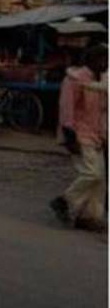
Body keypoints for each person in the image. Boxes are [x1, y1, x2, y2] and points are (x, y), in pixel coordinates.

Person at [50, 45, 108, 230]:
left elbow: (102, 112)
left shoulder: (100, 80)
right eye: (102, 59)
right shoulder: (74, 79)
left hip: (96, 135)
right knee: (93, 174)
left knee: (100, 179)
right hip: (78, 134)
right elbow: (67, 109)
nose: (105, 63)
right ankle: (65, 201)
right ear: (90, 60)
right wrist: (69, 136)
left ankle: (90, 217)